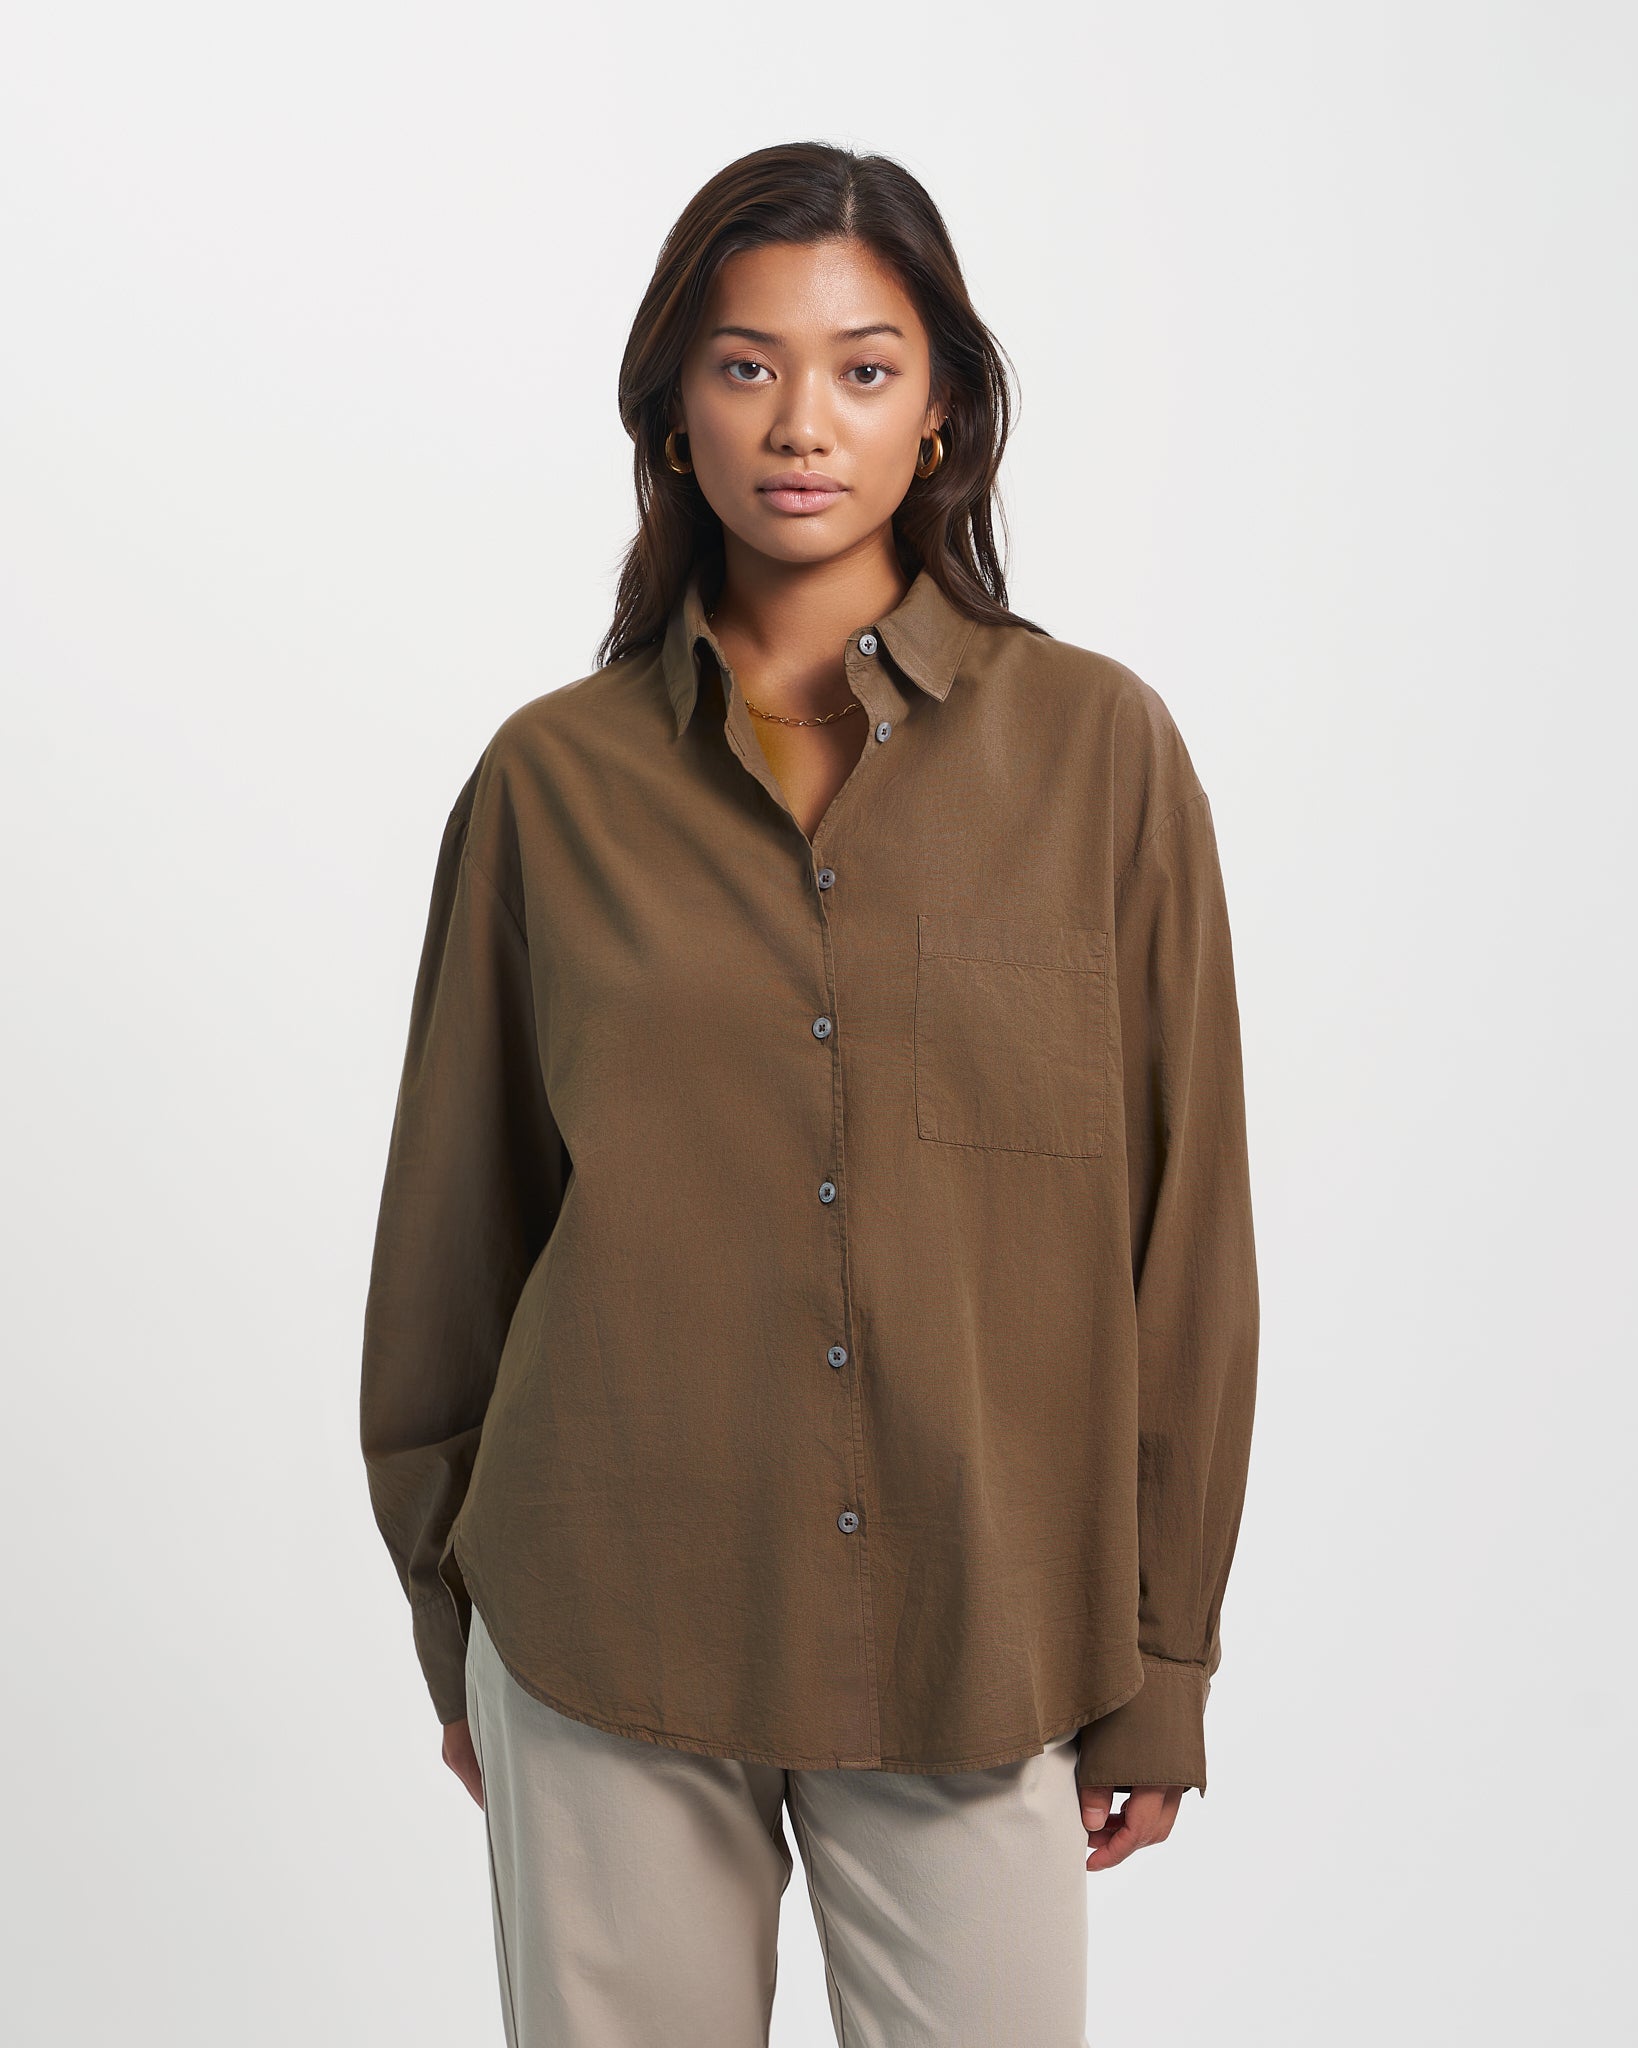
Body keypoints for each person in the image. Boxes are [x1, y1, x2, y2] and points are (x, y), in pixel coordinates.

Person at [360, 140, 1260, 2048]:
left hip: (983, 1636)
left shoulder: (1097, 754)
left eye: (862, 367)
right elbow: (452, 1237)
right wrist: (460, 1623)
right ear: (671, 411)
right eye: (744, 364)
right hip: (603, 1620)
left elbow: (1183, 1243)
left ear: (940, 412)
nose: (799, 422)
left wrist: (1162, 1660)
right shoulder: (547, 784)